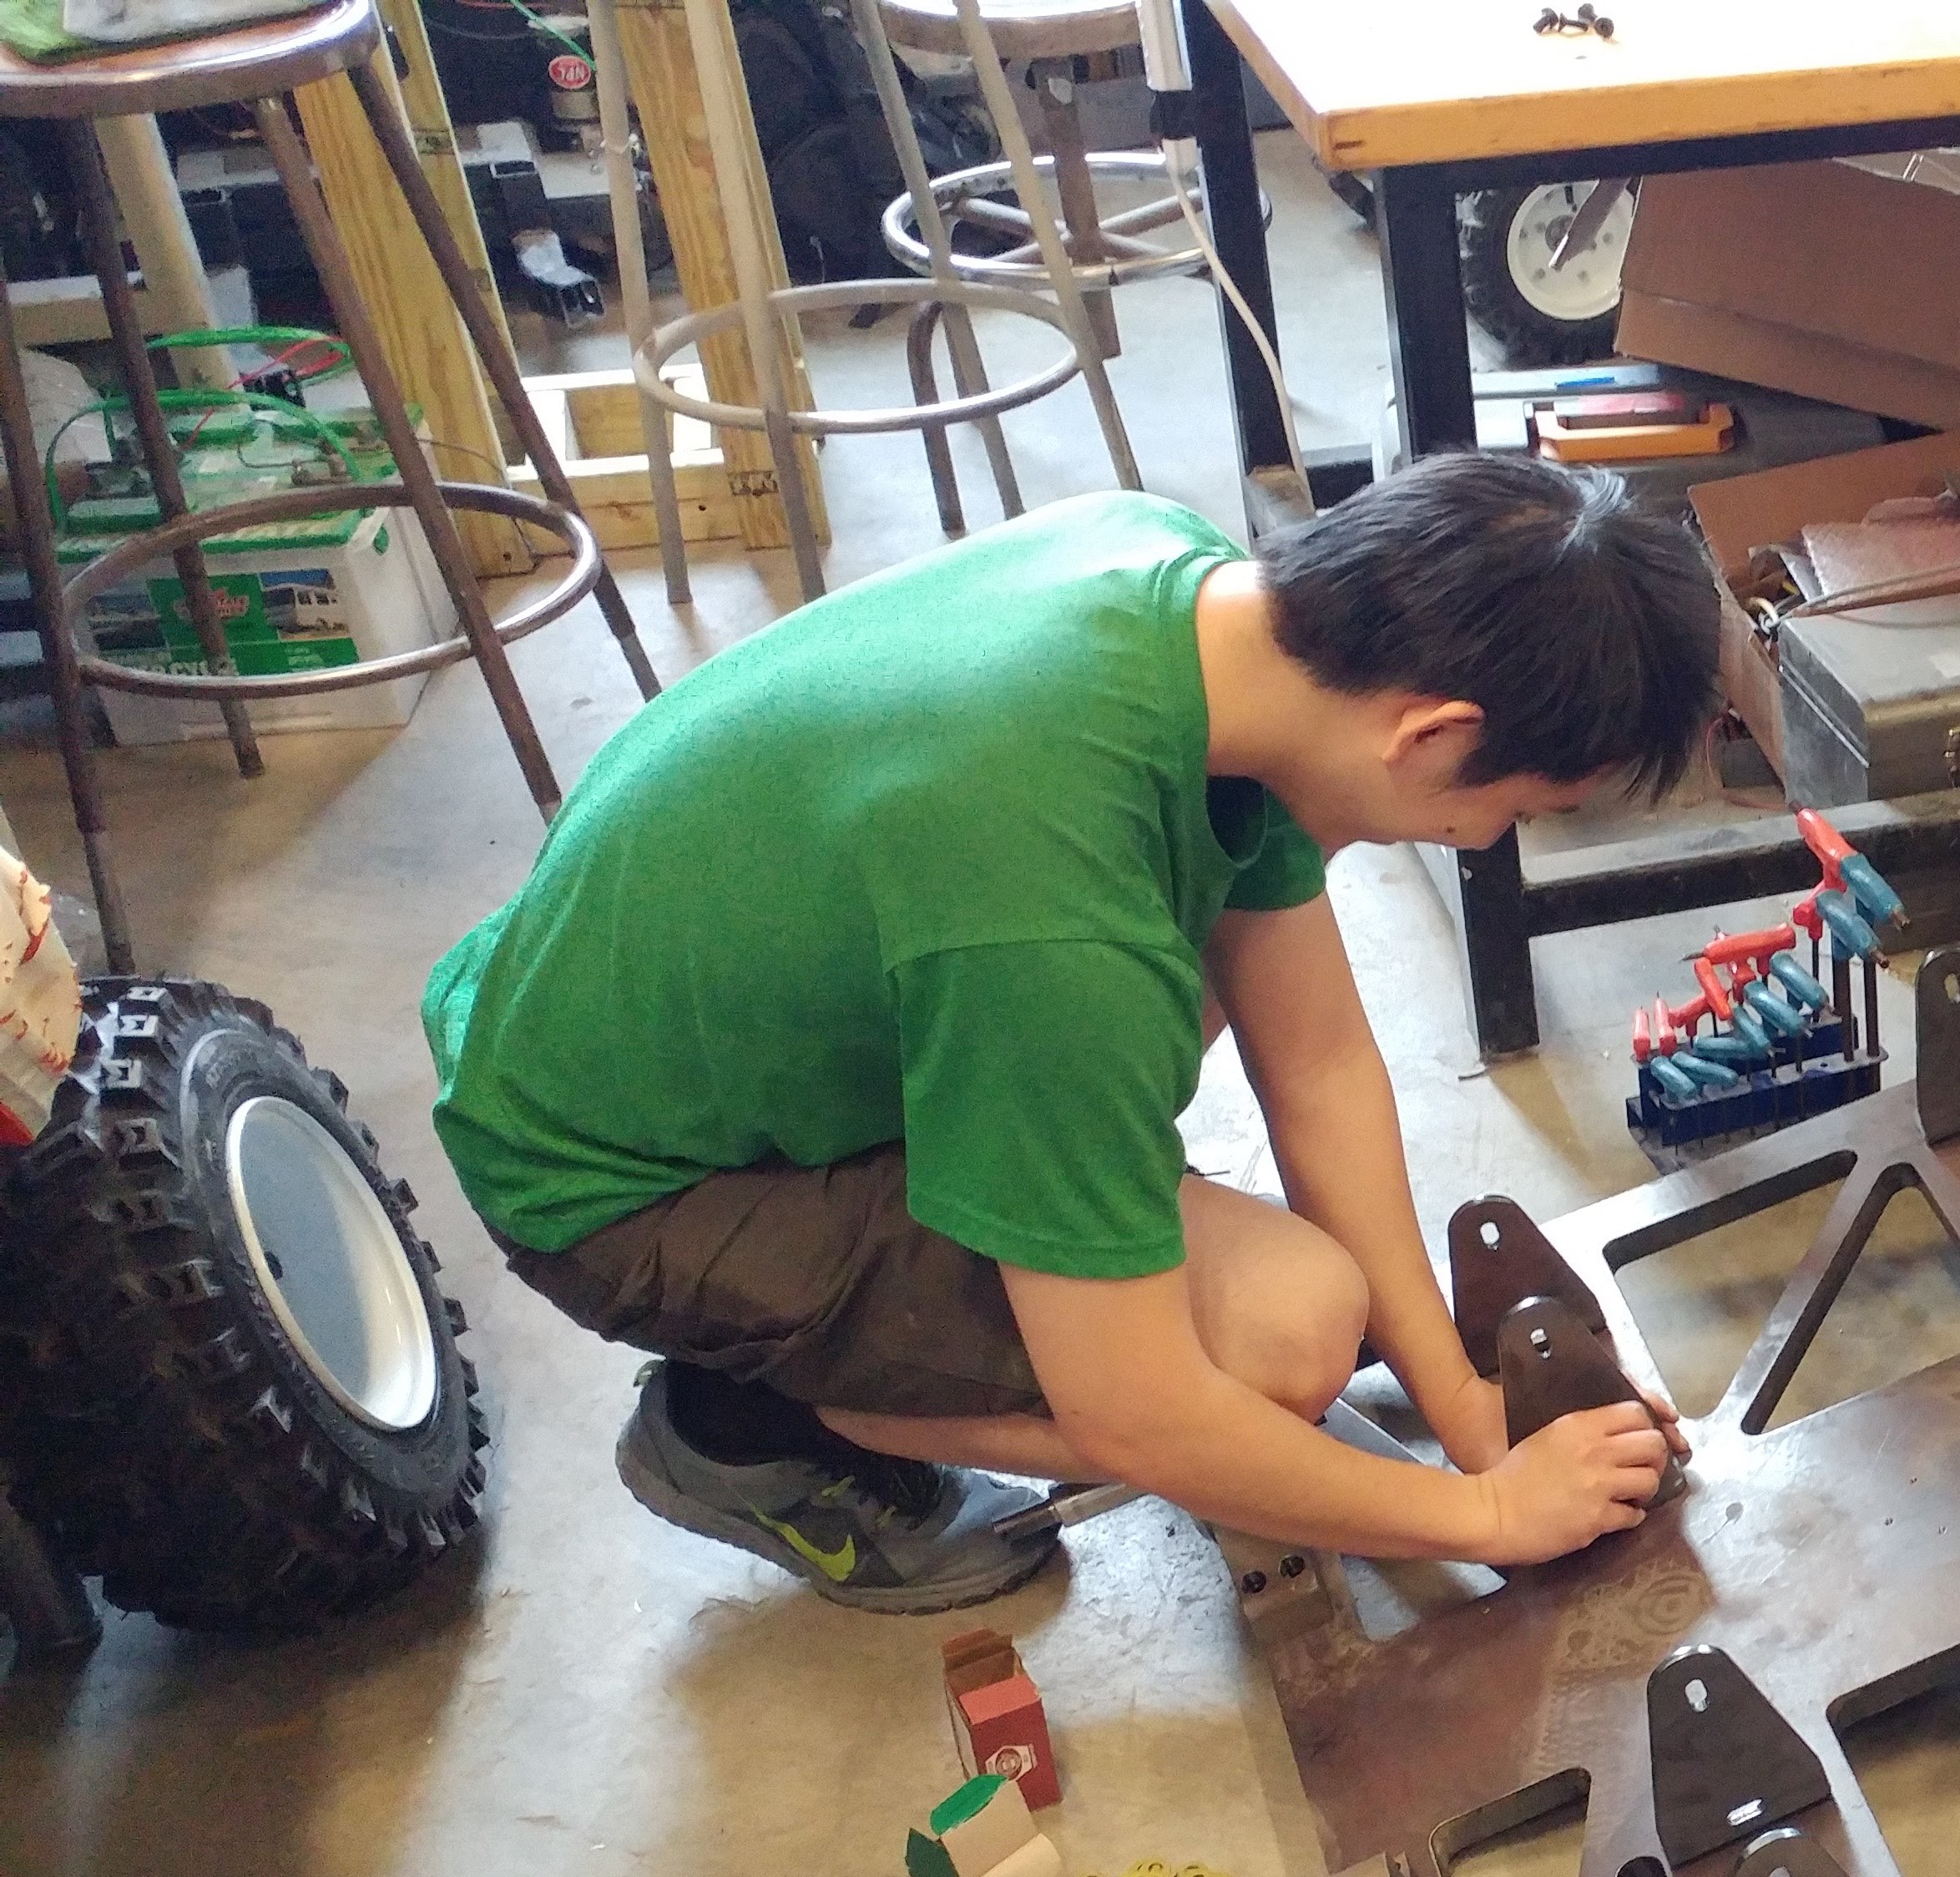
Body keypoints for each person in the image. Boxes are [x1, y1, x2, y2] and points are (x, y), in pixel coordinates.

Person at [422, 456, 1712, 1613]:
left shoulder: (1190, 590)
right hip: (623, 1186)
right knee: (1280, 1341)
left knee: (1217, 1103)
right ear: (1432, 734)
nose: (1491, 843)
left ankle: (1011, 1238)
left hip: (666, 1029)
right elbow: (1142, 1420)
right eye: (1521, 808)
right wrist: (1485, 1514)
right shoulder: (1047, 914)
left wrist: (1471, 1408)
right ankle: (750, 1418)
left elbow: (1315, 1066)